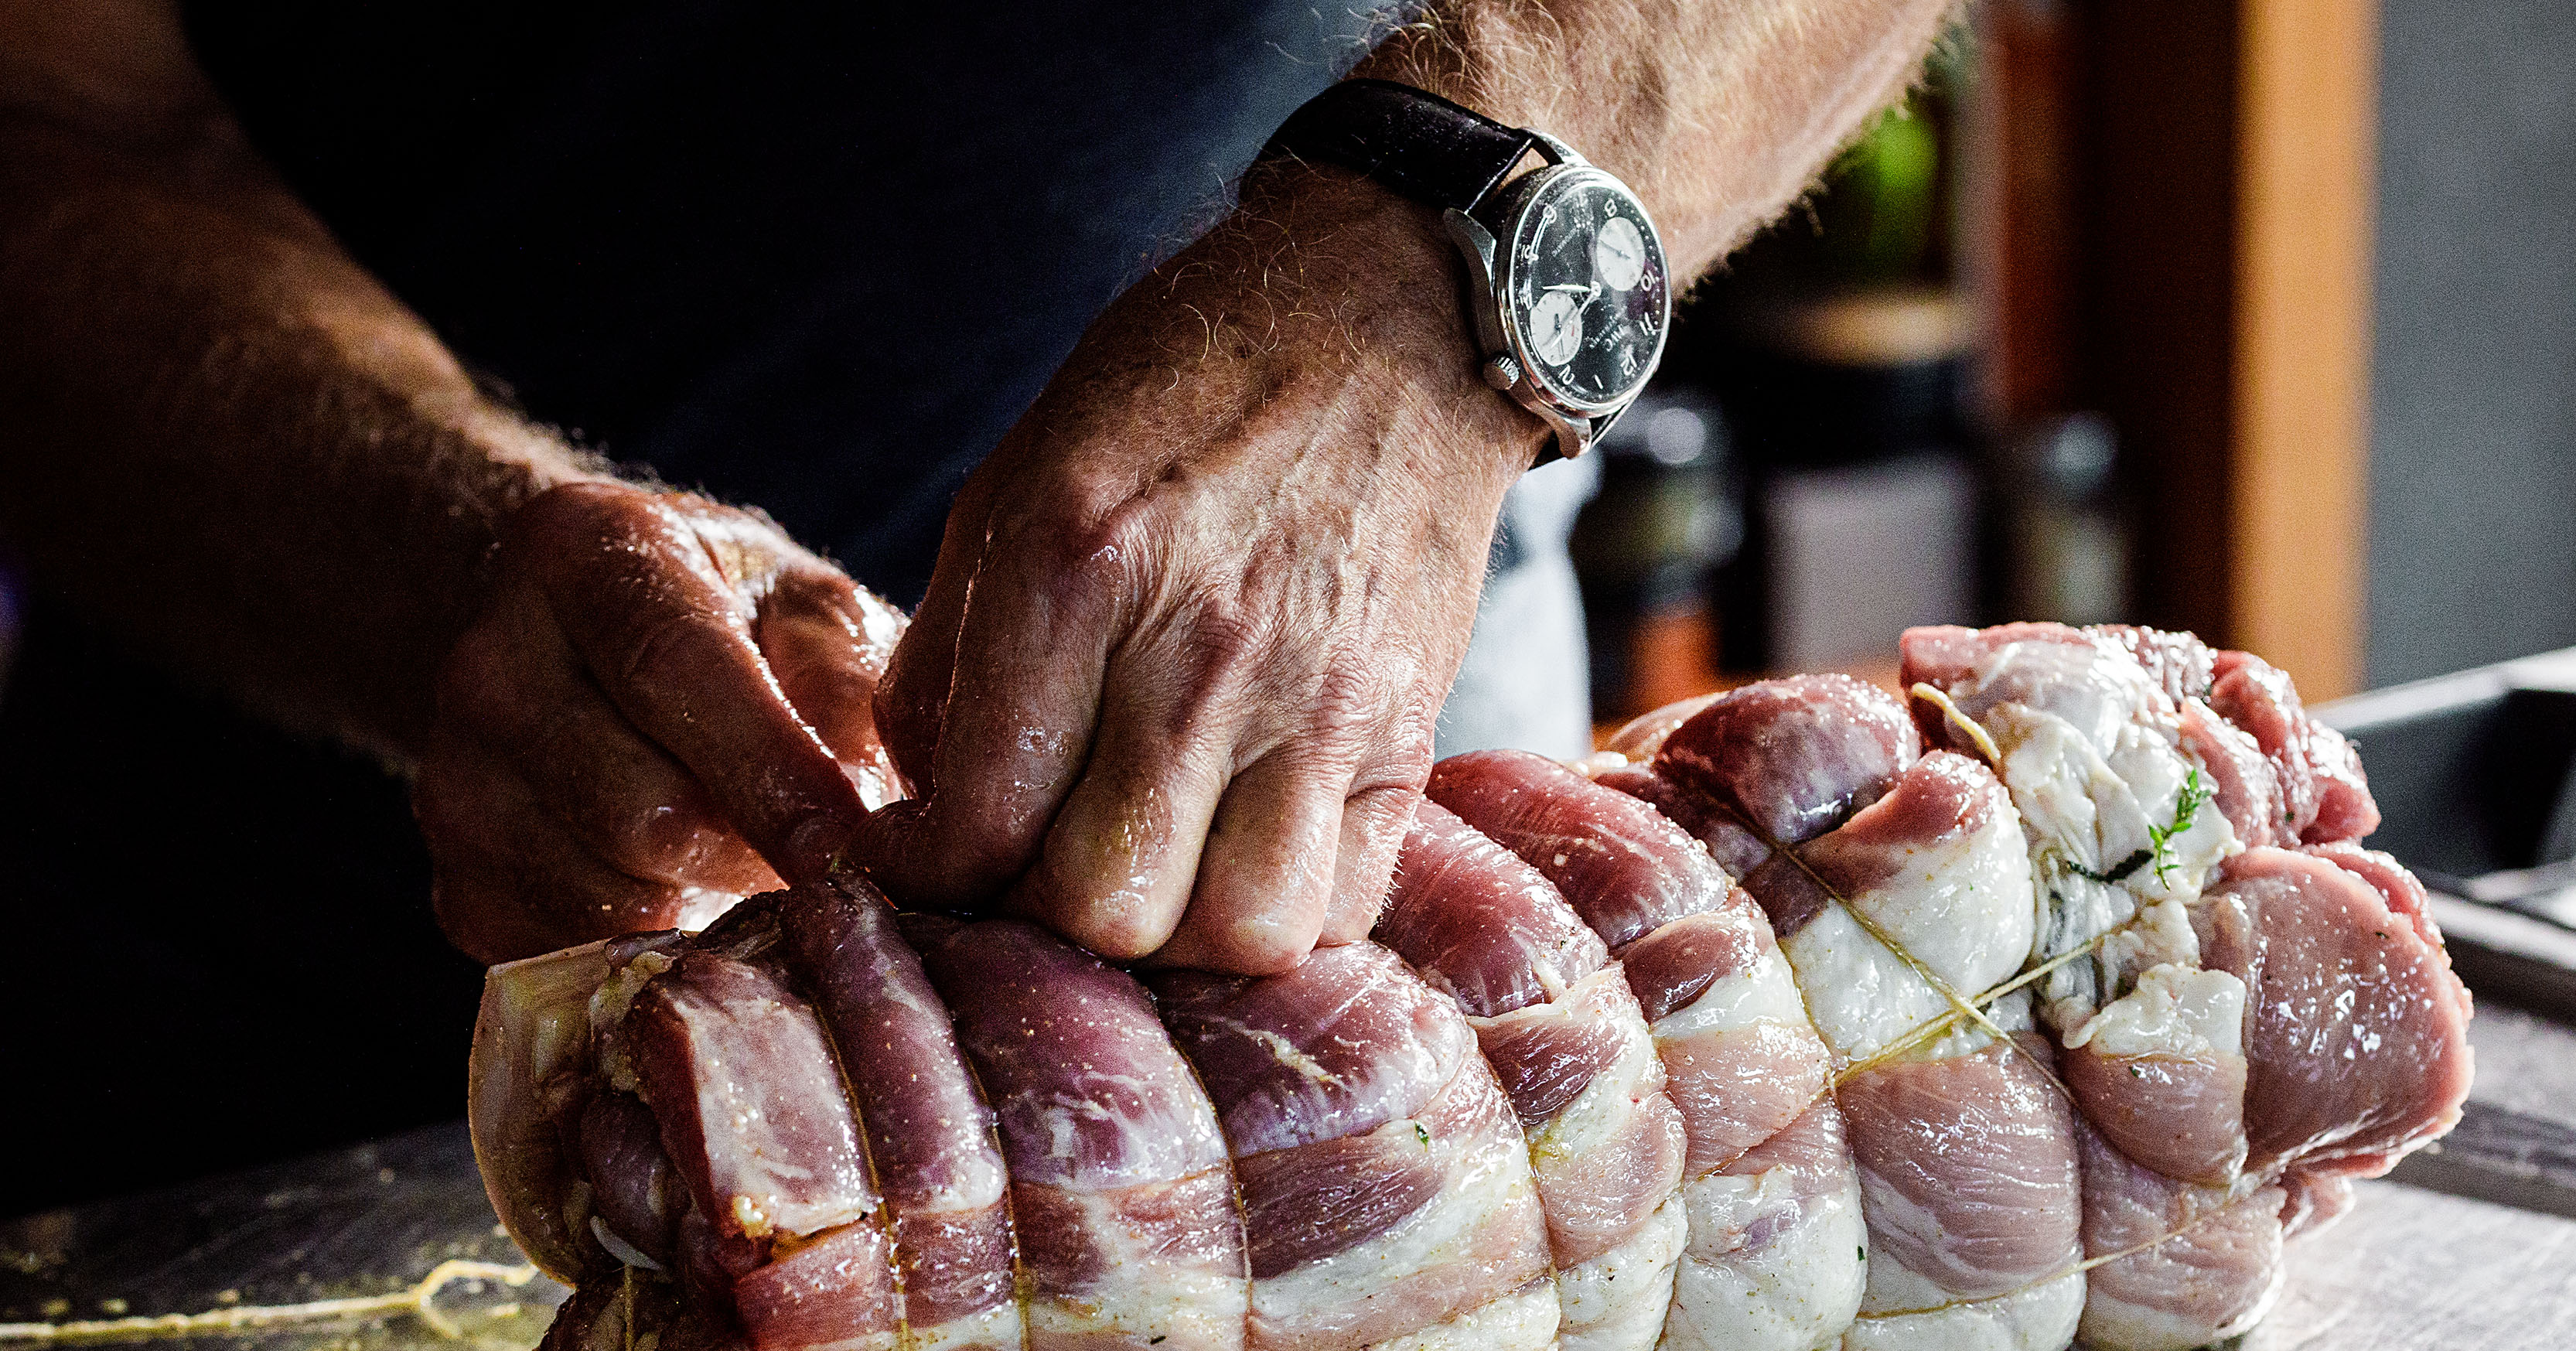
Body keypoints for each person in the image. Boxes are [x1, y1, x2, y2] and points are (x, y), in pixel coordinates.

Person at [0, 0, 1950, 1206]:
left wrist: (1440, 278)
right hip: (289, 999)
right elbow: (57, 125)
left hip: (1361, 815)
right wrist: (435, 552)